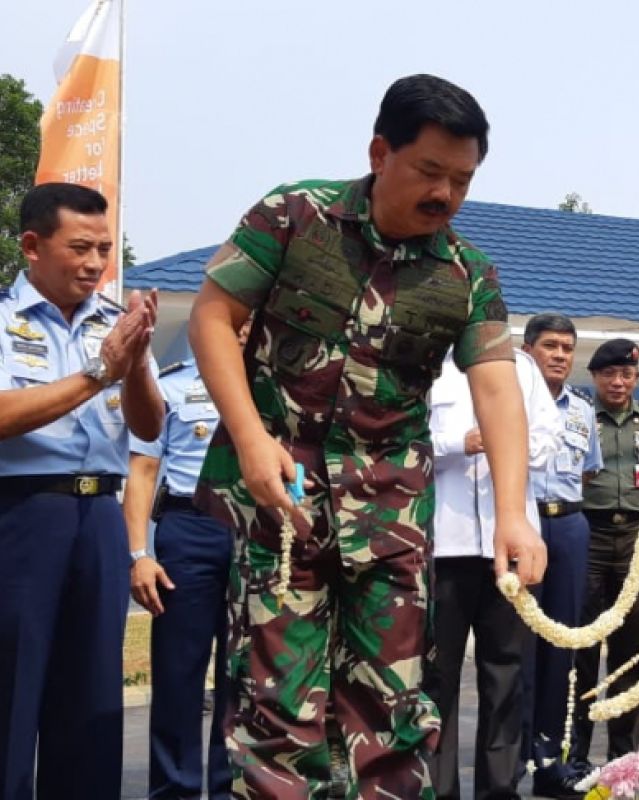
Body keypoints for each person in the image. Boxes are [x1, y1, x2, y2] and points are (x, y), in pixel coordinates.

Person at [187, 74, 547, 798]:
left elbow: (499, 389)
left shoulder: (467, 273)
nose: (445, 194)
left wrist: (513, 511)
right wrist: (253, 440)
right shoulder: (293, 215)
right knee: (278, 708)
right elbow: (212, 319)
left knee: (391, 713)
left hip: (390, 517)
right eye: (430, 172)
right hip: (282, 506)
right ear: (380, 152)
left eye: (463, 180)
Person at [0, 182, 162, 800]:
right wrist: (98, 373)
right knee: (14, 685)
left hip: (98, 513)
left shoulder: (114, 323)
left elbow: (148, 428)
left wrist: (138, 360)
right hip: (21, 513)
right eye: (80, 248)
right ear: (33, 246)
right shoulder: (7, 320)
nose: (96, 264)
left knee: (92, 694)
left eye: (104, 249)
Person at [425, 348, 562, 800]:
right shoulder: (424, 361)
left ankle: (500, 789)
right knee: (436, 677)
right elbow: (404, 442)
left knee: (506, 673)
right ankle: (437, 790)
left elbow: (548, 439)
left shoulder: (519, 367)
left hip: (510, 546)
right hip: (443, 541)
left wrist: (504, 441)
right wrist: (456, 443)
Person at [125, 351, 235, 800]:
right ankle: (174, 790)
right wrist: (138, 553)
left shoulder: (273, 379)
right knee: (177, 674)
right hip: (188, 529)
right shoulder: (168, 383)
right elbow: (144, 468)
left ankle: (233, 790)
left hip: (255, 531)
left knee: (244, 678)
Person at [570, 338, 639, 770]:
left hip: (635, 539)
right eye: (609, 373)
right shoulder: (577, 418)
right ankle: (572, 756)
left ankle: (623, 757)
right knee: (581, 646)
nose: (618, 381)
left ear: (636, 378)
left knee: (632, 649)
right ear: (594, 377)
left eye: (626, 374)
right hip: (586, 537)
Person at [520, 313, 602, 799]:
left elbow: (587, 470)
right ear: (528, 350)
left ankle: (549, 759)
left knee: (561, 644)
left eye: (567, 348)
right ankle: (511, 759)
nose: (559, 355)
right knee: (517, 647)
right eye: (550, 345)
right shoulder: (510, 402)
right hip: (522, 521)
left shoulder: (582, 411)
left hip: (569, 524)